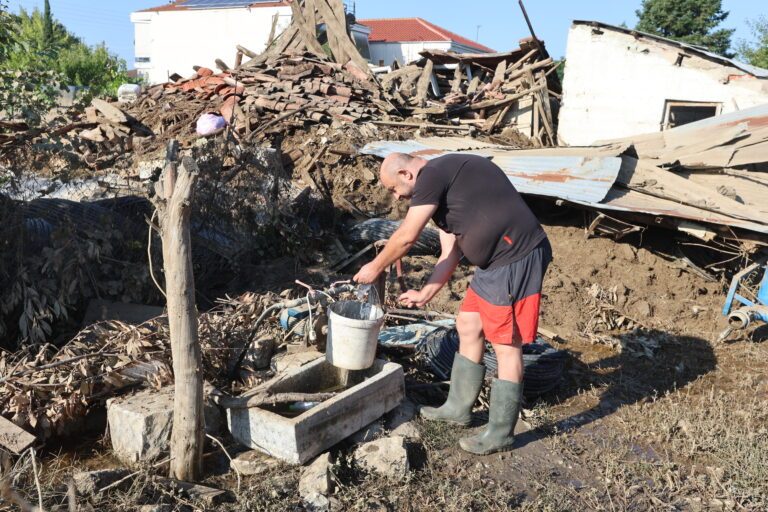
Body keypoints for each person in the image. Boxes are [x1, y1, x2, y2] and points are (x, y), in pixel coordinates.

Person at [353, 152, 552, 455]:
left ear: (406, 174)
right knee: (468, 324)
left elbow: (406, 236)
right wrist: (426, 293)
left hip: (515, 257)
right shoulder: (444, 187)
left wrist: (375, 266)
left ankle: (501, 433)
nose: (396, 197)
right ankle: (458, 408)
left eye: (393, 189)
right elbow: (450, 253)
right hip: (492, 264)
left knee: (505, 343)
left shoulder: (433, 175)